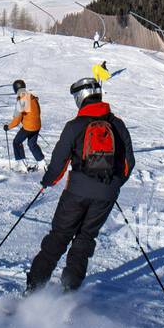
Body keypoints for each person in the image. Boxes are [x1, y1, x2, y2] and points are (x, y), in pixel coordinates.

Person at [26, 77, 135, 294]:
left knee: (59, 236)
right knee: (85, 239)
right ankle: (70, 288)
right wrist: (112, 185)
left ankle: (34, 289)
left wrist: (47, 181)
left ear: (81, 98)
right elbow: (128, 164)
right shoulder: (118, 125)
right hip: (106, 195)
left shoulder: (75, 126)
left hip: (76, 192)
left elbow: (59, 162)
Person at [4, 79, 44, 171]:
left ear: (15, 89)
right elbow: (37, 111)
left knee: (16, 142)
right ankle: (42, 164)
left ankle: (22, 165)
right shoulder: (32, 97)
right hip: (37, 126)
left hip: (28, 127)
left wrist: (8, 127)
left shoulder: (22, 100)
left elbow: (17, 120)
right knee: (32, 144)